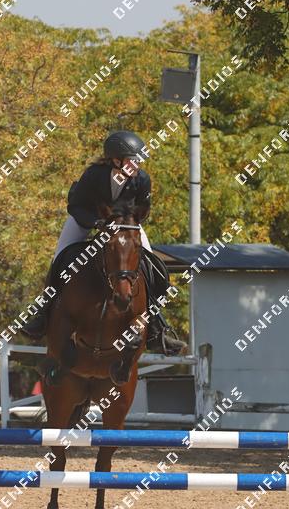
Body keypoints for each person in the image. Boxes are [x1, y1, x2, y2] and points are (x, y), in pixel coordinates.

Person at [22, 130, 183, 353]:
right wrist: (97, 222)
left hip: (124, 225)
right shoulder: (94, 175)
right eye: (132, 160)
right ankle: (41, 314)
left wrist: (128, 225)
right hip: (86, 219)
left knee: (151, 264)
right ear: (116, 160)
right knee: (60, 259)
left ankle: (157, 326)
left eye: (138, 160)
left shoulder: (142, 179)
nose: (137, 165)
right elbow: (75, 206)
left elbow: (142, 211)